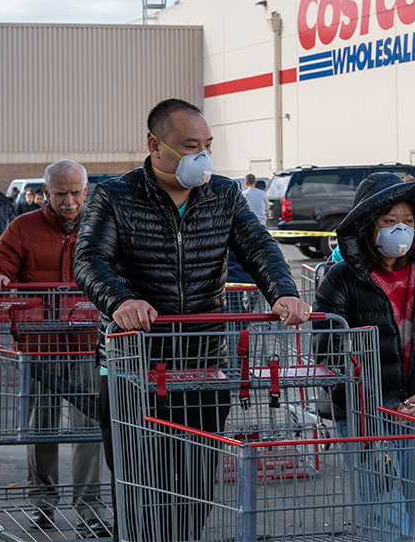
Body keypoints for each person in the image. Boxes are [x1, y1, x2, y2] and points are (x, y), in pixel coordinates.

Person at [74, 98, 310, 542]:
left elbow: (258, 246)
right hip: (134, 363)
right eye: (189, 146)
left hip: (203, 363)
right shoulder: (115, 196)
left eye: (207, 145)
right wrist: (121, 300)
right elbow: (88, 261)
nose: (201, 156)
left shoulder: (222, 193)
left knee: (195, 480)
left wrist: (284, 293)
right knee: (138, 478)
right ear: (155, 145)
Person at [313, 172, 415, 537]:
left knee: (408, 510)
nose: (401, 230)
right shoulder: (340, 280)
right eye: (390, 221)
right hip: (367, 418)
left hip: (414, 413)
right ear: (369, 226)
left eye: (409, 222)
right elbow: (328, 352)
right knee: (386, 515)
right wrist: (369, 403)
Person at [0, 160, 107, 537]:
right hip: (41, 347)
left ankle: (88, 508)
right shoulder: (23, 227)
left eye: (76, 193)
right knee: (42, 429)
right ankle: (43, 503)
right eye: (61, 193)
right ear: (46, 193)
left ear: (86, 191)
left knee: (90, 430)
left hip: (88, 346)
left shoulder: (102, 226)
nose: (69, 201)